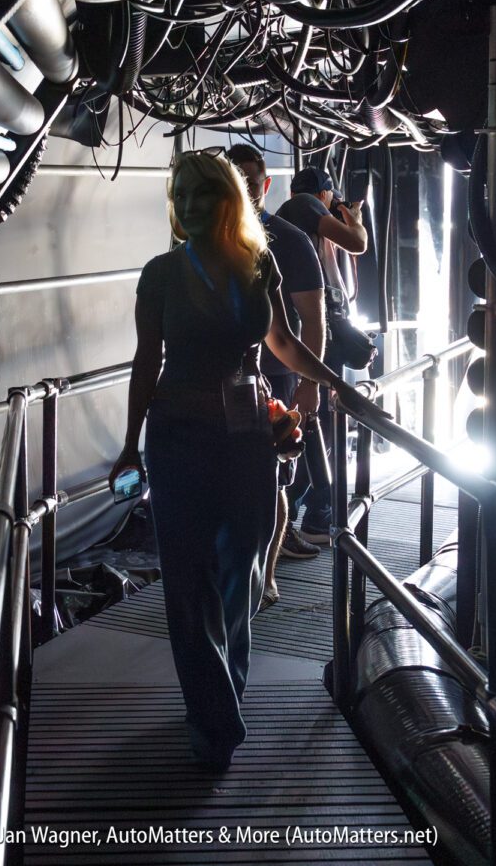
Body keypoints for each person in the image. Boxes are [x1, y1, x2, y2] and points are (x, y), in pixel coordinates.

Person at [108, 150, 376, 773]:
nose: (191, 205)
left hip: (248, 435)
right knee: (189, 580)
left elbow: (283, 342)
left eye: (203, 194)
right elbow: (146, 362)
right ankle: (215, 720)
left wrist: (334, 383)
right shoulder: (160, 274)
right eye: (182, 196)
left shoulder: (259, 264)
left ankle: (221, 690)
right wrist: (128, 444)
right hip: (179, 438)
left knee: (245, 572)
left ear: (228, 200)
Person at [226, 143, 325, 610]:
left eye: (252, 180)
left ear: (266, 184)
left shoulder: (289, 241)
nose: (246, 189)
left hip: (278, 377)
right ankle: (239, 574)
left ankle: (265, 577)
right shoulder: (208, 241)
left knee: (274, 480)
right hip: (225, 382)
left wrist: (313, 382)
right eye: (236, 180)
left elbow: (312, 321)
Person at [277, 166, 368, 543]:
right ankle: (311, 511)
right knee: (315, 425)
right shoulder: (306, 205)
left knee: (318, 426)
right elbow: (357, 243)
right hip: (313, 333)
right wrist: (354, 217)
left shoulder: (294, 214)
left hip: (313, 331)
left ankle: (311, 508)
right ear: (324, 194)